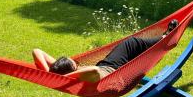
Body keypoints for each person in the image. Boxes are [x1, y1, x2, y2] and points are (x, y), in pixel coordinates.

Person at [32, 19, 179, 83]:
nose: (76, 61)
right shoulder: (83, 76)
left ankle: (164, 39)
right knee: (132, 42)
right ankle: (165, 38)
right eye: (74, 62)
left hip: (108, 65)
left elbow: (36, 51)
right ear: (72, 70)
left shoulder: (62, 73)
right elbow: (94, 71)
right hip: (114, 69)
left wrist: (50, 75)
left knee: (137, 47)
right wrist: (67, 77)